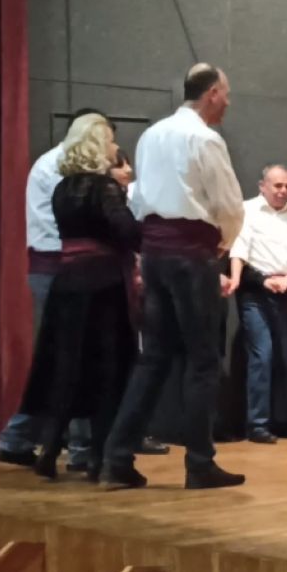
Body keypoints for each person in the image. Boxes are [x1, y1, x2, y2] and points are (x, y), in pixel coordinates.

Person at [101, 63, 247, 489]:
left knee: (154, 357)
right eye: (226, 94)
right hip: (191, 254)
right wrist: (219, 247)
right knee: (202, 359)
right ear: (212, 93)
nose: (228, 103)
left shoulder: (150, 136)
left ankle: (117, 457)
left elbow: (138, 199)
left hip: (155, 254)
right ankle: (199, 462)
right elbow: (229, 206)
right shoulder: (205, 139)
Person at [18, 114, 141, 481]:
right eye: (110, 141)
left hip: (67, 283)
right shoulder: (104, 188)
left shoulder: (63, 188)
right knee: (107, 371)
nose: (115, 147)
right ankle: (101, 459)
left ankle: (49, 450)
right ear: (98, 145)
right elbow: (125, 232)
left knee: (66, 369)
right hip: (103, 285)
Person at [0, 106, 107, 471]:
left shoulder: (52, 164)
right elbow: (77, 223)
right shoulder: (64, 168)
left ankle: (22, 439)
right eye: (106, 137)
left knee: (62, 358)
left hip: (54, 266)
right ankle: (78, 447)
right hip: (60, 267)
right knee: (74, 358)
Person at [228, 164, 287, 443]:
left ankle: (282, 420)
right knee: (261, 355)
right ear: (262, 186)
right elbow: (239, 249)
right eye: (277, 185)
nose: (283, 191)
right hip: (254, 291)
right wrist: (238, 279)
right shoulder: (247, 209)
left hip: (284, 291)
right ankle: (257, 424)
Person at [110, 148, 171, 458]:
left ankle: (132, 434)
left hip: (141, 278)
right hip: (126, 279)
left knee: (140, 357)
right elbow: (133, 238)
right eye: (121, 165)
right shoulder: (124, 196)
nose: (128, 170)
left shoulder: (136, 194)